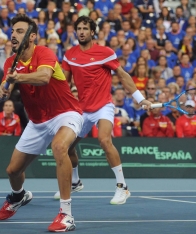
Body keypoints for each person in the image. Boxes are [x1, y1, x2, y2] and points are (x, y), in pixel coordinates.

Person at [0, 14, 83, 232]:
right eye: (13, 31)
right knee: (13, 171)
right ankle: (19, 196)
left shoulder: (44, 53)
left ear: (32, 36)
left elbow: (43, 77)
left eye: (20, 31)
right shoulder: (10, 62)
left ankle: (66, 215)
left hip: (66, 113)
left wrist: (17, 79)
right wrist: (3, 90)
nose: (13, 35)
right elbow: (8, 86)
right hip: (37, 121)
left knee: (60, 147)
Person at [56, 16, 152, 204]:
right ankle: (74, 182)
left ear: (92, 32)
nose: (81, 31)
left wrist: (140, 99)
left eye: (85, 28)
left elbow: (123, 76)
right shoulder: (70, 55)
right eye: (79, 28)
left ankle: (122, 187)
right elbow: (63, 83)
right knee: (66, 147)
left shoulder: (105, 53)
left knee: (104, 140)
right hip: (81, 109)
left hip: (103, 106)